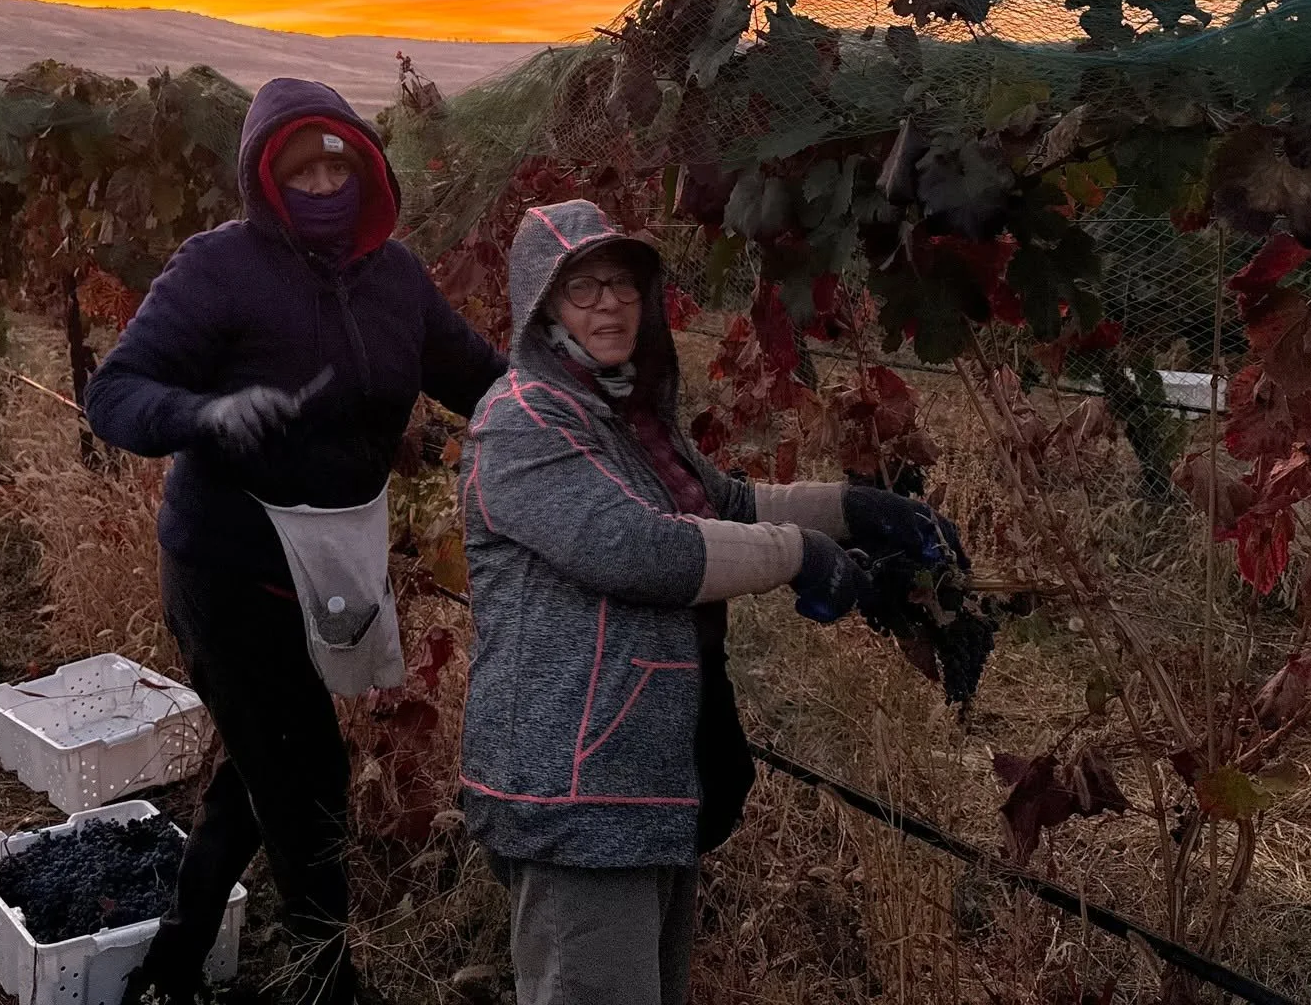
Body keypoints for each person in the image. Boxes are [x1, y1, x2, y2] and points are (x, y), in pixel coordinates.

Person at [460, 199, 963, 1005]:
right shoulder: (521, 423)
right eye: (582, 287)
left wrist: (859, 507)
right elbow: (641, 549)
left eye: (622, 284)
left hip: (644, 772)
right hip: (573, 787)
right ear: (541, 305)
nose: (610, 304)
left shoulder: (625, 417)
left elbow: (724, 503)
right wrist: (800, 556)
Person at [85, 77, 505, 1005]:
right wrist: (207, 412)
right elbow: (115, 393)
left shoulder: (396, 279)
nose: (323, 181)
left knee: (267, 758)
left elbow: (480, 378)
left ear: (364, 167)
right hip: (227, 569)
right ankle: (325, 979)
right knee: (309, 779)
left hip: (332, 569)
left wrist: (575, 417)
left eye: (337, 162)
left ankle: (174, 960)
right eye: (301, 167)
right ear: (265, 179)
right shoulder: (218, 269)